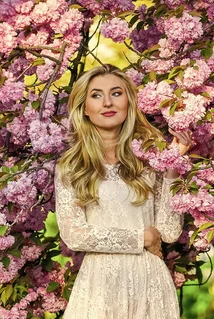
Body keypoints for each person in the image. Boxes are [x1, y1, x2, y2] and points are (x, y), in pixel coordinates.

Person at [54, 64, 193, 319]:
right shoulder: (72, 166)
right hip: (100, 286)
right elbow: (74, 235)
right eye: (96, 95)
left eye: (116, 93)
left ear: (129, 101)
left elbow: (170, 231)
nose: (107, 102)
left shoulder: (151, 158)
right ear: (85, 108)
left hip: (149, 283)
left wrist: (173, 164)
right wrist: (140, 238)